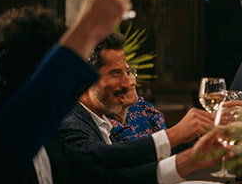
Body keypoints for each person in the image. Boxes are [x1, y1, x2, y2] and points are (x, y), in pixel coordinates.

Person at [0, 0, 207, 184]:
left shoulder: (46, 139)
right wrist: (89, 27)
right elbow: (21, 124)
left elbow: (102, 176)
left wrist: (189, 161)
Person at [59, 32, 214, 155]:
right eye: (116, 73)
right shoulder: (71, 124)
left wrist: (207, 130)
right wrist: (175, 135)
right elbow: (110, 163)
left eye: (127, 72)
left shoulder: (102, 122)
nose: (129, 82)